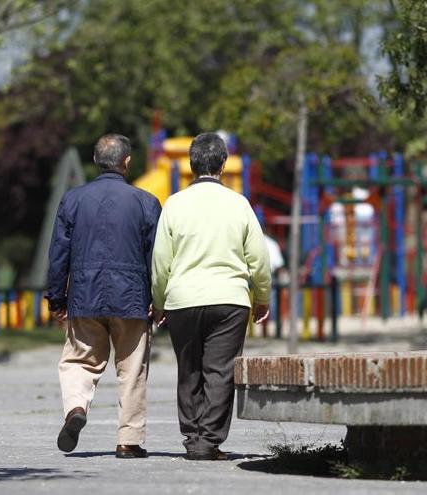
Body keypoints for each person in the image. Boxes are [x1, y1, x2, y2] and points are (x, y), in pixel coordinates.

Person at [151, 133, 271, 461]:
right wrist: (262, 296)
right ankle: (209, 442)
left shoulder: (174, 204)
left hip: (183, 300)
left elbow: (161, 260)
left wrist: (159, 301)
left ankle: (192, 438)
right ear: (222, 164)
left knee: (188, 369)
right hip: (229, 300)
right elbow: (258, 258)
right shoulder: (239, 203)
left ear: (191, 166)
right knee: (220, 371)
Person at [46, 134, 162, 459]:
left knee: (79, 360)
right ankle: (128, 440)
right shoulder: (146, 202)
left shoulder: (73, 200)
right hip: (132, 299)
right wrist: (158, 298)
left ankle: (75, 408)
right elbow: (157, 257)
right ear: (127, 162)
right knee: (132, 369)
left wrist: (57, 298)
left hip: (84, 295)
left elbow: (58, 252)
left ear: (96, 161)